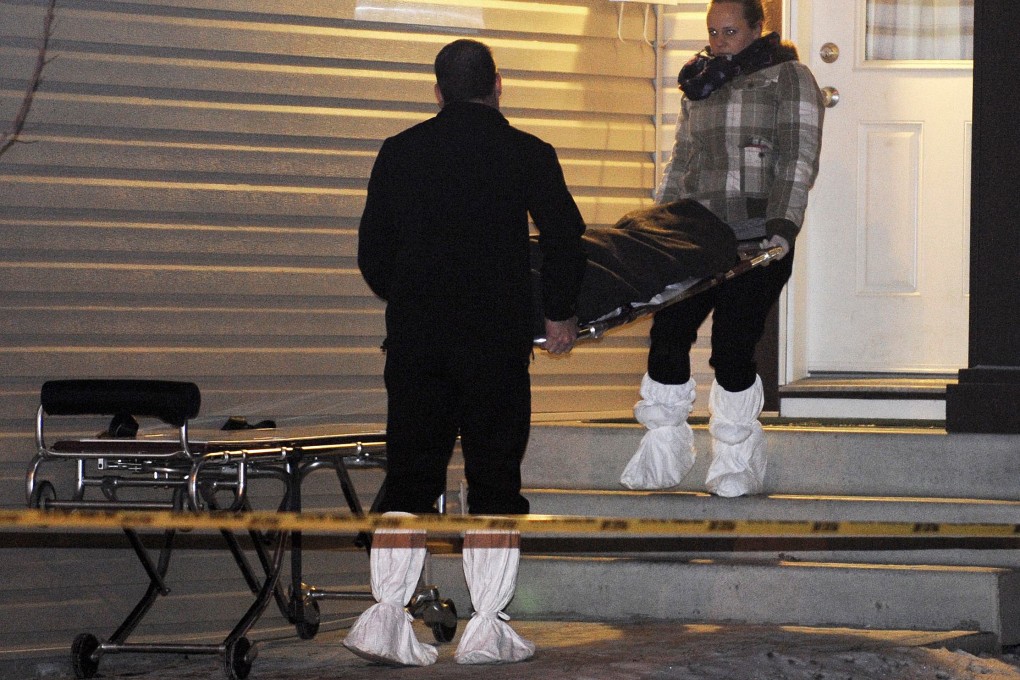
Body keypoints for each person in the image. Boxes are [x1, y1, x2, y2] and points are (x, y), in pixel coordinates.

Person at [358, 38, 587, 516]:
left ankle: (391, 592)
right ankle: (491, 593)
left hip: (417, 343)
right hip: (495, 343)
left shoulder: (400, 152)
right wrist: (558, 312)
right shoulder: (528, 153)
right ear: (498, 85)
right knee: (496, 482)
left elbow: (373, 253)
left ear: (439, 93)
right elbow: (564, 235)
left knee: (410, 481)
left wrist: (409, 295)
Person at [623, 0, 823, 497]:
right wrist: (657, 222)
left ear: (759, 28)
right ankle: (665, 451)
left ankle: (736, 460)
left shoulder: (789, 78)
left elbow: (798, 158)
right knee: (668, 332)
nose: (718, 42)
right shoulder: (699, 81)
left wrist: (782, 225)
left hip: (759, 236)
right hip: (696, 233)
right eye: (713, 32)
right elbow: (682, 159)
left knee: (733, 345)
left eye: (730, 32)